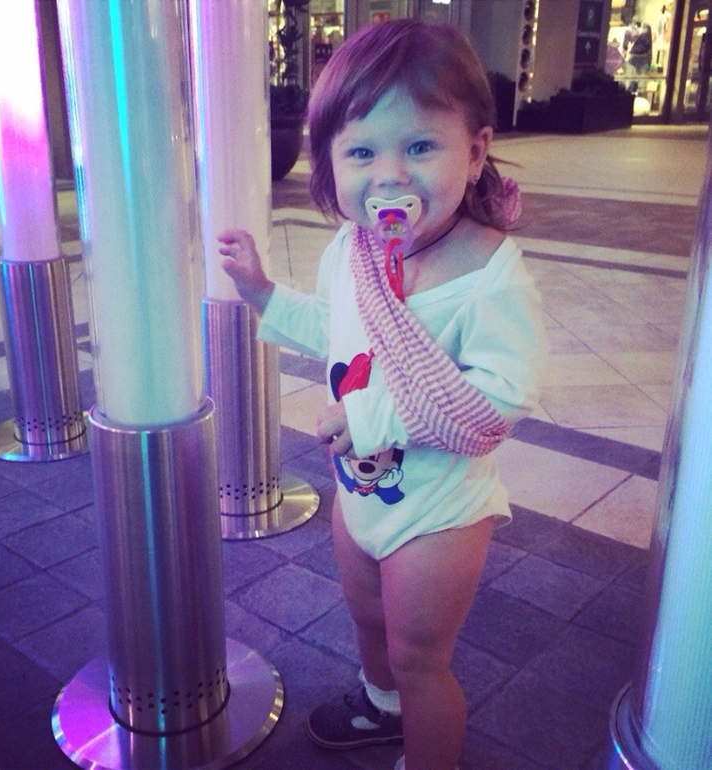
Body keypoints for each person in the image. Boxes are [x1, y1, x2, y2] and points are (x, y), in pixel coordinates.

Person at [219, 20, 547, 770]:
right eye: (362, 152)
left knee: (419, 657)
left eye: (421, 147)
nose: (390, 176)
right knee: (369, 621)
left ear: (476, 151)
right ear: (329, 164)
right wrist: (263, 292)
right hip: (359, 495)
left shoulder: (489, 277)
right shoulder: (353, 251)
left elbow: (498, 401)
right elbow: (337, 329)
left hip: (438, 511)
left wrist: (367, 414)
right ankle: (380, 706)